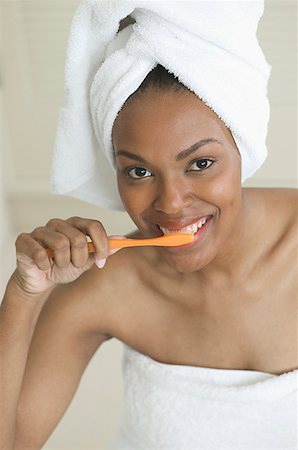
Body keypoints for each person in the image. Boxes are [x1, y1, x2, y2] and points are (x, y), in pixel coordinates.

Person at [1, 2, 297, 450]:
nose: (171, 203)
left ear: (245, 147)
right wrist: (24, 294)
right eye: (138, 172)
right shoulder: (104, 284)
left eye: (200, 163)